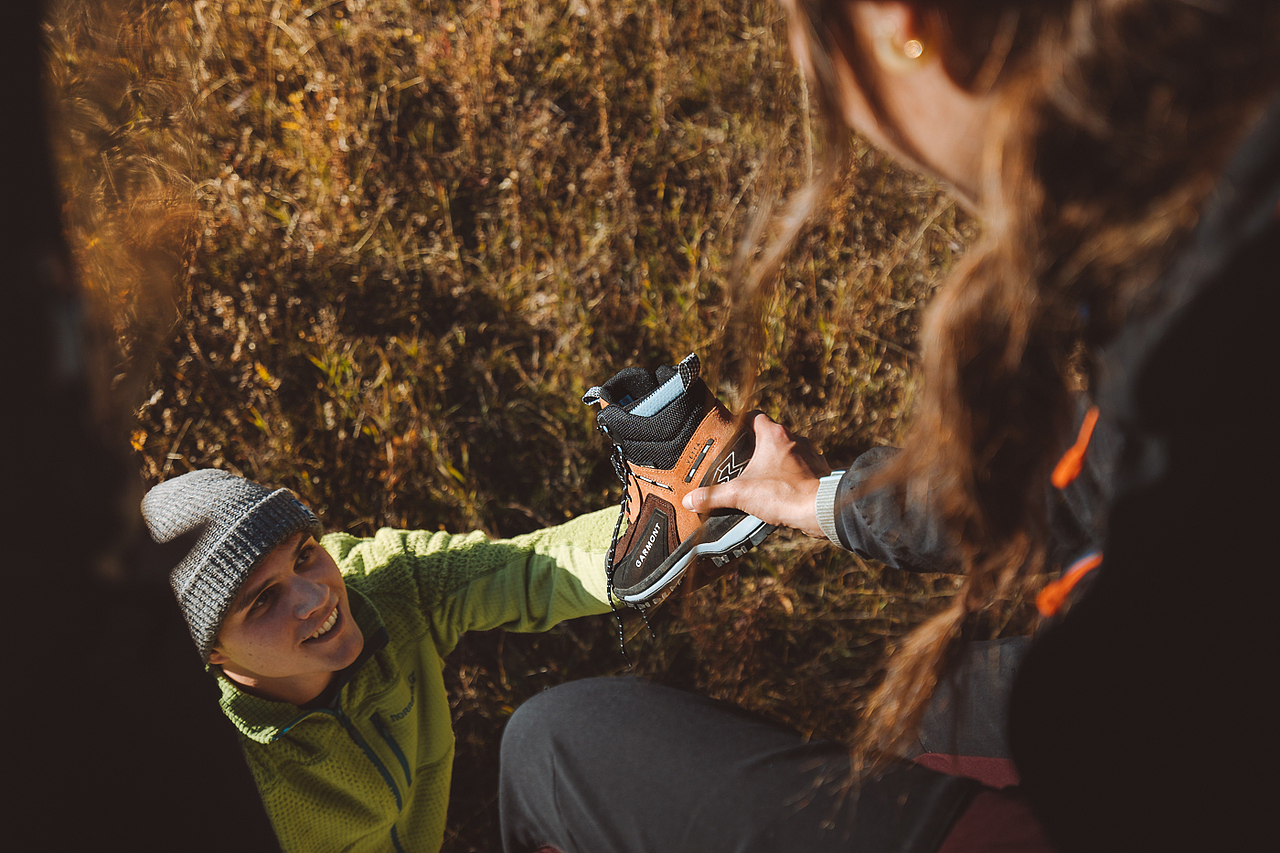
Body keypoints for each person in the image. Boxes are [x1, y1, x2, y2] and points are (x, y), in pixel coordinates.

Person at [498, 1, 1279, 851]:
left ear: (902, 24)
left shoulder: (1206, 320)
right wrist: (821, 498)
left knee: (555, 743)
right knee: (932, 713)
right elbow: (1093, 479)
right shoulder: (1210, 212)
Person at [141, 468, 621, 853]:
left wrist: (654, 536)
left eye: (305, 556)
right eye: (264, 599)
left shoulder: (388, 584)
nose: (317, 597)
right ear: (212, 651)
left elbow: (535, 564)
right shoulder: (212, 769)